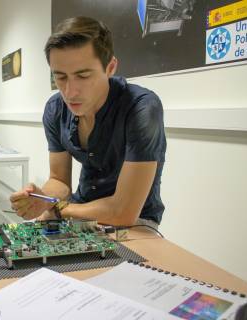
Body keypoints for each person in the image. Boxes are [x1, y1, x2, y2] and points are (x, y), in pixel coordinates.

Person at [10, 16, 166, 229]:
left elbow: (124, 212)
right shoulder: (55, 109)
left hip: (135, 221)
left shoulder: (141, 108)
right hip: (79, 208)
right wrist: (43, 198)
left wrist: (58, 208)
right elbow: (59, 181)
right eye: (60, 77)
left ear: (110, 67)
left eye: (83, 76)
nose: (69, 92)